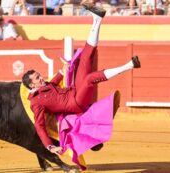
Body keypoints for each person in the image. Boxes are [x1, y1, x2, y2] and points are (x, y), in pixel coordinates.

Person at [22, 3, 141, 154]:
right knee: (90, 79)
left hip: (75, 91)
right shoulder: (36, 102)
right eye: (38, 77)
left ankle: (97, 19)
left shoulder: (46, 86)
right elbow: (39, 126)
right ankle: (129, 65)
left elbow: (53, 82)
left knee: (85, 57)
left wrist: (62, 71)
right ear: (32, 85)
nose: (41, 77)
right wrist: (50, 146)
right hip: (76, 102)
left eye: (39, 75)